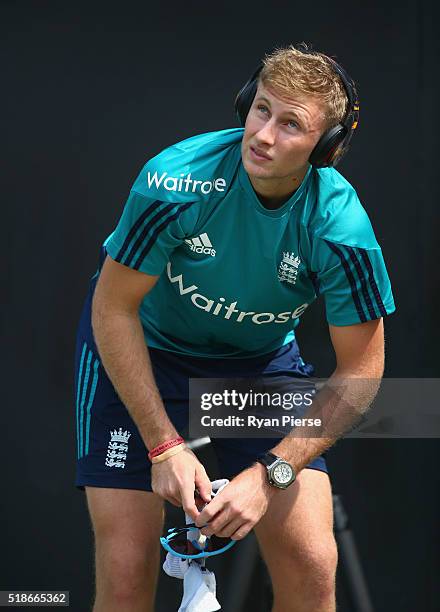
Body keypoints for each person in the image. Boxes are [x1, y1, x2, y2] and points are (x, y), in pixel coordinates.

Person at [74, 43, 395, 612]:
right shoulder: (175, 181)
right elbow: (112, 309)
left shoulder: (341, 227)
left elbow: (361, 373)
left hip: (255, 368)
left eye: (291, 124)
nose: (264, 135)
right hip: (143, 350)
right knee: (125, 578)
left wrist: (270, 473)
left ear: (326, 147)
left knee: (313, 567)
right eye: (261, 109)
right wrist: (164, 444)